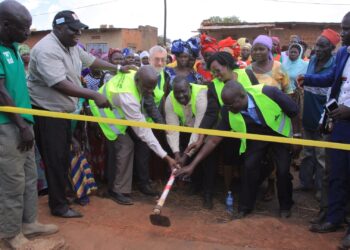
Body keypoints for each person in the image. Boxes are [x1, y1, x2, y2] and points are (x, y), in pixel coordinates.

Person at [27, 10, 132, 218]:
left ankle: (62, 197)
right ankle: (58, 206)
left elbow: (91, 61)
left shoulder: (71, 45)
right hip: (48, 113)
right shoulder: (46, 49)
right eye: (73, 30)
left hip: (64, 112)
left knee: (63, 156)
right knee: (55, 159)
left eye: (80, 29)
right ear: (57, 28)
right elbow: (59, 84)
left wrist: (118, 68)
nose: (78, 34)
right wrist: (94, 95)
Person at [177, 80, 298, 219]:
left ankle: (285, 206)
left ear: (242, 96)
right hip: (256, 135)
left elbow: (294, 111)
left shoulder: (269, 92)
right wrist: (192, 165)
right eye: (226, 105)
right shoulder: (228, 110)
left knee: (283, 170)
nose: (228, 108)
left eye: (231, 104)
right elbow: (214, 140)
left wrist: (297, 138)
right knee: (248, 167)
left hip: (279, 133)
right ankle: (245, 207)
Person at [0, 1, 59, 248]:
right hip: (8, 126)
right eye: (24, 28)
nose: (27, 33)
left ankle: (29, 222)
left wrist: (26, 124)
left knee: (29, 175)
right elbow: (1, 92)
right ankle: (12, 234)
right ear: (5, 25)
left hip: (23, 124)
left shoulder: (12, 47)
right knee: (12, 181)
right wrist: (21, 125)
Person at [297, 12, 350, 249]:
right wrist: (308, 79)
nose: (344, 34)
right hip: (339, 124)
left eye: (347, 30)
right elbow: (332, 78)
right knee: (337, 173)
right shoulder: (343, 54)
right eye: (343, 29)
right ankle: (334, 219)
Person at [89, 66, 177, 205]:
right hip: (105, 113)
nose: (150, 91)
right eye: (147, 87)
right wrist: (165, 156)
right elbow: (144, 132)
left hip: (119, 111)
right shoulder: (128, 96)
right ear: (137, 81)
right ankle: (116, 190)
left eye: (152, 87)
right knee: (125, 146)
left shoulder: (135, 73)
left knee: (134, 144)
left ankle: (131, 185)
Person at [298, 29, 339, 217]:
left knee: (322, 157)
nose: (318, 49)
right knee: (307, 153)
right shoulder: (313, 60)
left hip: (324, 117)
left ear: (332, 48)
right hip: (308, 113)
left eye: (323, 46)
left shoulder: (335, 64)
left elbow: (327, 86)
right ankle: (306, 183)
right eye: (317, 45)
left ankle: (322, 192)